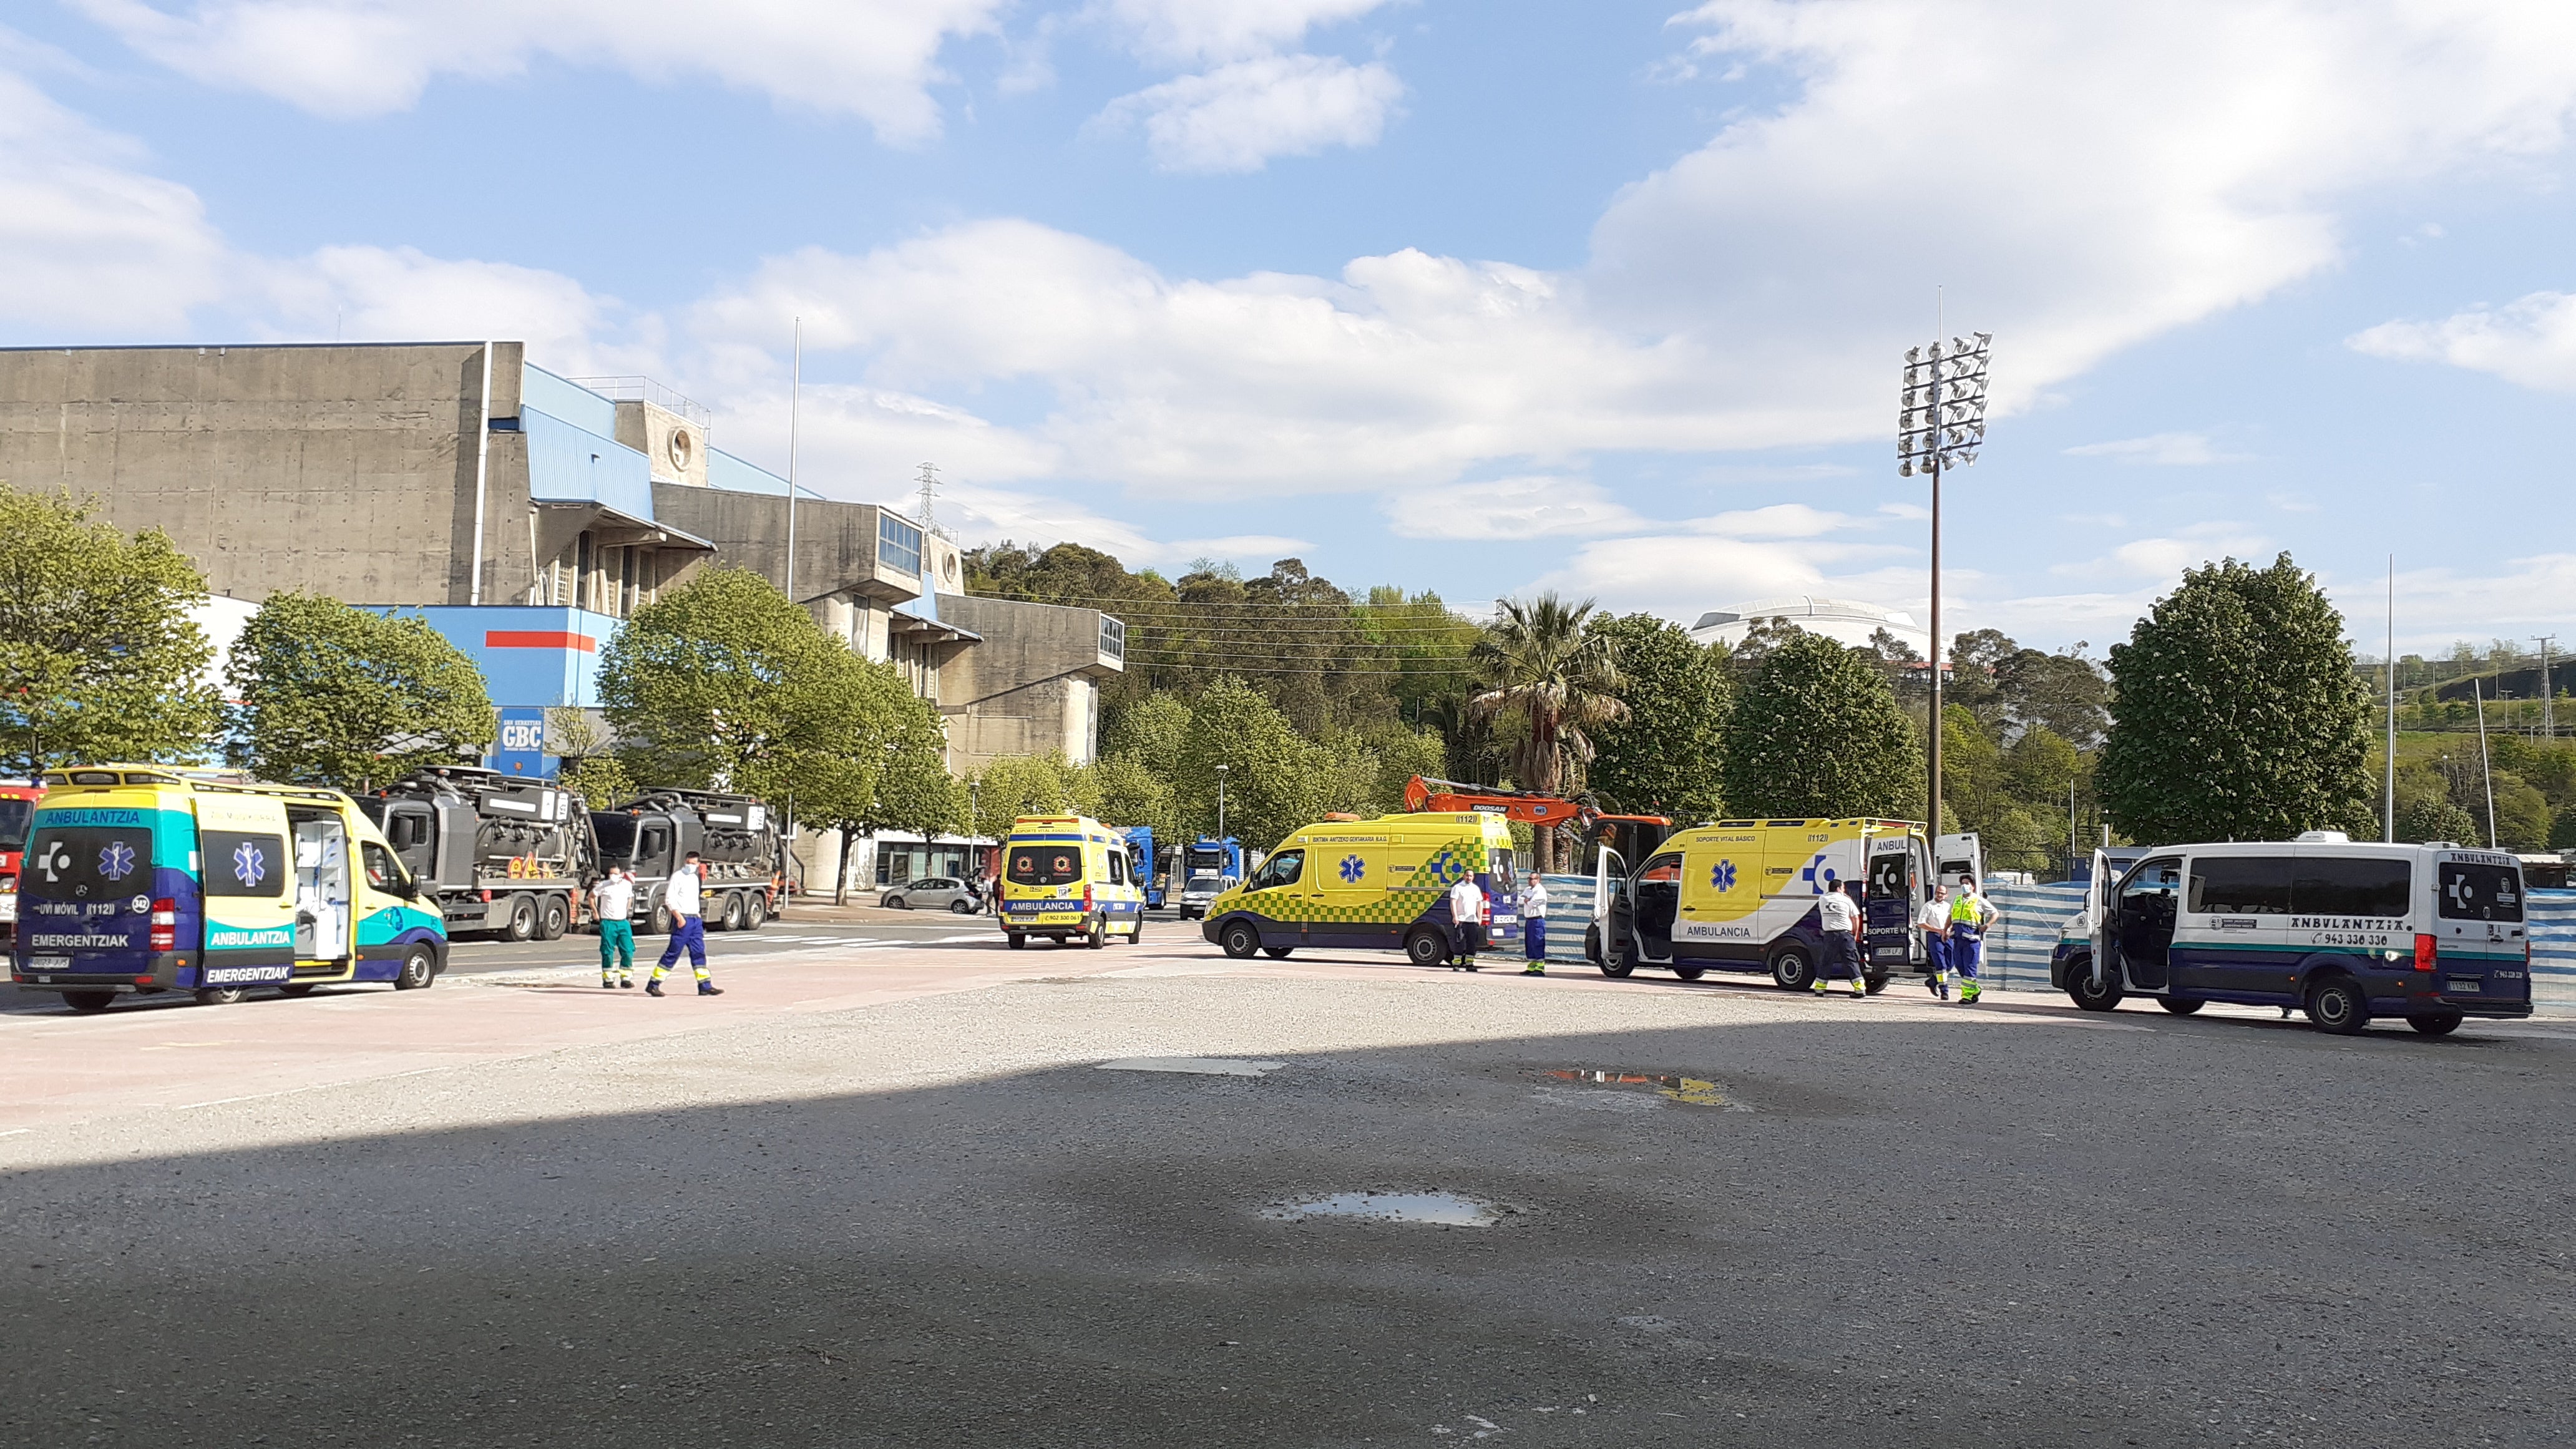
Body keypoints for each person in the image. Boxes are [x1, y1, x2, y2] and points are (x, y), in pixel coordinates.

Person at [648, 852, 723, 997]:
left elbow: (693, 898)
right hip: (683, 920)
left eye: (694, 863)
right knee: (673, 952)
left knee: (699, 952)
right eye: (689, 863)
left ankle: (705, 986)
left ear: (698, 864)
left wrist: (697, 914)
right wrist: (678, 916)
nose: (691, 866)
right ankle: (654, 984)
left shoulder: (695, 878)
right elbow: (670, 899)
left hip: (695, 920)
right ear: (685, 862)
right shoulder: (678, 877)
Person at [1946, 875, 1997, 1004]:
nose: (1964, 885)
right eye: (1962, 883)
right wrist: (1945, 930)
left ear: (1973, 886)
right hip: (1957, 938)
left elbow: (1995, 913)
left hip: (1971, 940)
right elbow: (1951, 916)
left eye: (1967, 883)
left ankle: (1967, 996)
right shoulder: (1957, 899)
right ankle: (1975, 989)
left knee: (1969, 968)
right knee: (1959, 966)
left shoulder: (1978, 900)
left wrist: (1987, 925)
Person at [1813, 879, 1868, 997]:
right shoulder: (1846, 900)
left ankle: (1819, 989)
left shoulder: (1822, 899)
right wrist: (1856, 934)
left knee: (1826, 962)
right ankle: (1860, 990)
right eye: (1843, 888)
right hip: (1845, 935)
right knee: (1851, 961)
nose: (1844, 890)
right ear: (1839, 889)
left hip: (1830, 936)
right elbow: (1855, 918)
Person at [593, 865, 637, 989]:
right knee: (607, 951)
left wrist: (626, 910)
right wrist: (595, 912)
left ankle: (626, 979)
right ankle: (608, 980)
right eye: (611, 873)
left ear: (621, 874)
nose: (613, 876)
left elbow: (630, 898)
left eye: (616, 873)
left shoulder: (627, 885)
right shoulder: (604, 885)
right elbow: (592, 897)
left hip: (623, 922)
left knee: (628, 950)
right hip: (608, 923)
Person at [1918, 880, 1953, 1000]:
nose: (1940, 895)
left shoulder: (1948, 907)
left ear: (1946, 895)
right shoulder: (1929, 906)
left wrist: (1949, 929)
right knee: (1941, 965)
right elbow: (1921, 923)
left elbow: (1952, 921)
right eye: (1938, 893)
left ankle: (1933, 981)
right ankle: (1944, 990)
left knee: (1952, 961)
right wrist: (1937, 930)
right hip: (1935, 936)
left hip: (1947, 935)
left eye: (1942, 894)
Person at [1445, 872, 1486, 971]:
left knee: (1471, 943)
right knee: (1459, 942)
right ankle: (1456, 964)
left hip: (1472, 921)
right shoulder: (1458, 887)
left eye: (1471, 876)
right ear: (1464, 876)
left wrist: (1480, 918)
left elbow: (1480, 904)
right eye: (1467, 876)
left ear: (1473, 877)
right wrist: (1455, 916)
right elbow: (1453, 902)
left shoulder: (1475, 888)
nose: (1469, 878)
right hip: (1461, 920)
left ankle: (1469, 964)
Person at [1521, 873, 1549, 975]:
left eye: (1532, 879)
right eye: (1529, 879)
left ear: (1538, 880)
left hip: (1537, 920)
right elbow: (1520, 900)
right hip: (1529, 920)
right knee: (1529, 944)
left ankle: (1540, 968)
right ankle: (1532, 967)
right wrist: (1527, 900)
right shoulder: (1528, 890)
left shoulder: (1540, 891)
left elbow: (1533, 904)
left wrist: (1527, 900)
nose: (1529, 881)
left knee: (1538, 943)